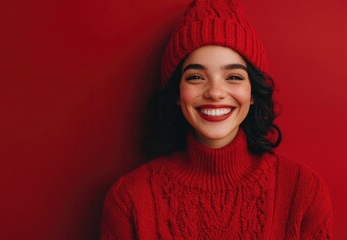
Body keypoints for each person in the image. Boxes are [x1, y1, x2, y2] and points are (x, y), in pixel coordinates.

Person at [99, 0, 333, 239]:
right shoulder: (129, 200)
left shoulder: (303, 192)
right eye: (196, 77)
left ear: (253, 93)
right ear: (177, 94)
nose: (215, 92)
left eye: (233, 76)